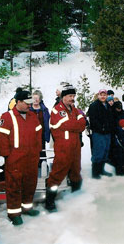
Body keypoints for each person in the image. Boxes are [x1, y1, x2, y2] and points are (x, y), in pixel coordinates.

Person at [0, 90, 42, 225]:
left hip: (31, 158)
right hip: (15, 159)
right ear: (19, 102)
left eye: (30, 103)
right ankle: (14, 213)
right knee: (14, 186)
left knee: (30, 184)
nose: (29, 106)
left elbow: (38, 135)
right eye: (27, 103)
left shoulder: (33, 116)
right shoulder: (7, 117)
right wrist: (7, 156)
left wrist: (37, 151)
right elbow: (0, 136)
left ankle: (27, 208)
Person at [45, 84, 86, 212]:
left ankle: (76, 196)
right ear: (63, 96)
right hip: (63, 148)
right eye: (69, 96)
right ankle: (50, 200)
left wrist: (74, 124)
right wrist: (75, 123)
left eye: (73, 96)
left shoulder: (75, 110)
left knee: (76, 172)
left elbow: (82, 125)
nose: (72, 98)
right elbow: (65, 123)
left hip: (75, 147)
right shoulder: (57, 110)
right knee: (58, 173)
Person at [87, 89, 114, 179]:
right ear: (98, 95)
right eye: (101, 95)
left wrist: (110, 128)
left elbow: (110, 118)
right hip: (98, 133)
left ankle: (101, 170)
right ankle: (95, 173)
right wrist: (101, 128)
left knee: (105, 152)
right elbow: (93, 120)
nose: (103, 96)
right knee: (98, 152)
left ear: (106, 96)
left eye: (104, 95)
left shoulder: (108, 105)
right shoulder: (94, 106)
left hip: (107, 133)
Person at [30, 90, 50, 157]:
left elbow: (48, 122)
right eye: (34, 98)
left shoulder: (44, 110)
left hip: (42, 135)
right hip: (31, 135)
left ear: (40, 99)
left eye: (37, 98)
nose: (35, 100)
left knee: (42, 151)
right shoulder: (28, 109)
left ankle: (42, 164)